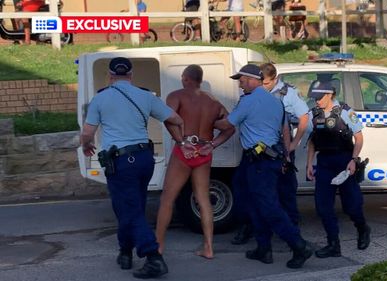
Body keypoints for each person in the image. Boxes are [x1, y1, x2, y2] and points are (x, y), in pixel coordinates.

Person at [80, 57, 184, 279]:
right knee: (131, 206)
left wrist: (86, 145)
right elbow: (175, 118)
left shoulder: (100, 99)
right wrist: (182, 139)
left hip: (120, 162)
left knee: (129, 209)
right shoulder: (145, 96)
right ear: (131, 75)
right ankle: (125, 253)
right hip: (144, 159)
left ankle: (153, 257)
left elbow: (87, 132)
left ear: (109, 76)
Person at [215, 64, 313, 269]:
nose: (240, 86)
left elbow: (227, 125)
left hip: (259, 162)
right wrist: (287, 156)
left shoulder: (248, 101)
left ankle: (299, 245)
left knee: (268, 207)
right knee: (255, 203)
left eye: (241, 81)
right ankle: (263, 248)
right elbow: (285, 130)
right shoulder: (276, 101)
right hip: (271, 159)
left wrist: (208, 117)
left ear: (252, 80)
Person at [155, 65, 234, 259]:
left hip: (186, 149)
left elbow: (168, 118)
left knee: (167, 199)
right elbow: (230, 128)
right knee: (204, 199)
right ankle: (208, 247)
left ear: (185, 78)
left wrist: (181, 142)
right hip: (204, 151)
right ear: (200, 79)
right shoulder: (214, 102)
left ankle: (158, 247)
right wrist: (213, 144)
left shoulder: (176, 95)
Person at [306, 80, 371, 258]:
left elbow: (359, 138)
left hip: (344, 161)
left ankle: (363, 228)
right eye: (314, 98)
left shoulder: (345, 111)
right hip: (325, 163)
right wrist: (309, 164)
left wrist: (353, 160)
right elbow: (312, 141)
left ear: (329, 95)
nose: (316, 101)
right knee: (323, 207)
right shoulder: (314, 113)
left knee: (352, 205)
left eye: (319, 97)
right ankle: (333, 244)